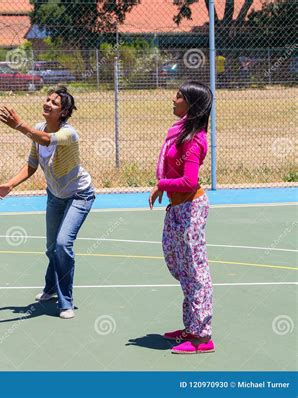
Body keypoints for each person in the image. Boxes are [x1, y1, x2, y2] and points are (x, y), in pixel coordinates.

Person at [0, 85, 95, 319]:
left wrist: (19, 125)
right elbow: (32, 164)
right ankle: (50, 289)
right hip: (55, 196)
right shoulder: (38, 128)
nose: (48, 103)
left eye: (54, 103)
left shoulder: (69, 134)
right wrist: (10, 184)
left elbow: (47, 140)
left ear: (63, 112)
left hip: (79, 195)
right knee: (51, 249)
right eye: (47, 99)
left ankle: (66, 302)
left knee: (62, 245)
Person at [149, 81, 214, 354]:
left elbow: (189, 181)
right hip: (178, 208)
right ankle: (190, 326)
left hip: (190, 209)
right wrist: (163, 186)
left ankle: (202, 337)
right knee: (180, 266)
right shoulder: (179, 133)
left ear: (191, 104)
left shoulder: (194, 139)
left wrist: (162, 184)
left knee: (195, 272)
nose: (173, 99)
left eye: (178, 96)